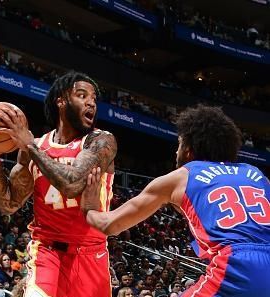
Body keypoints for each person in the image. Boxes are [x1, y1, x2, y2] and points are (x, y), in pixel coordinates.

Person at [82, 105, 270, 297]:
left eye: (179, 144)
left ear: (189, 149)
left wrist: (89, 209)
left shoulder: (181, 177)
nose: (176, 151)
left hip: (236, 265)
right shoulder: (256, 174)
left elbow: (109, 225)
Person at [0, 71, 117, 297]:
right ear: (61, 101)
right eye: (82, 95)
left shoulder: (100, 141)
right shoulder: (33, 148)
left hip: (91, 254)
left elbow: (72, 184)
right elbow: (9, 205)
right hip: (46, 251)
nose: (91, 102)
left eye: (93, 98)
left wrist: (31, 147)